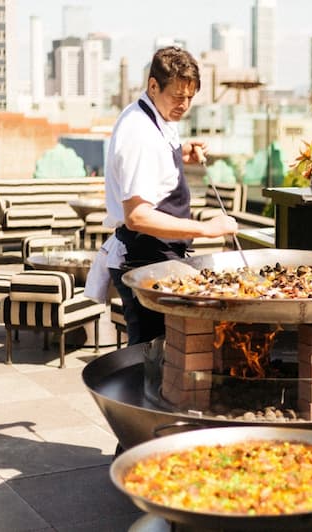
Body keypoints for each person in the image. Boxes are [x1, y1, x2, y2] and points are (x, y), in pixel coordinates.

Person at [102, 46, 238, 345]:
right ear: (153, 85)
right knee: (152, 353)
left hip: (157, 255)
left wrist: (180, 153)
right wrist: (207, 228)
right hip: (143, 257)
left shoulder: (155, 115)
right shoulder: (139, 132)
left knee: (164, 353)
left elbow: (155, 164)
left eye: (190, 97)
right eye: (178, 96)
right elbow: (137, 216)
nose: (185, 105)